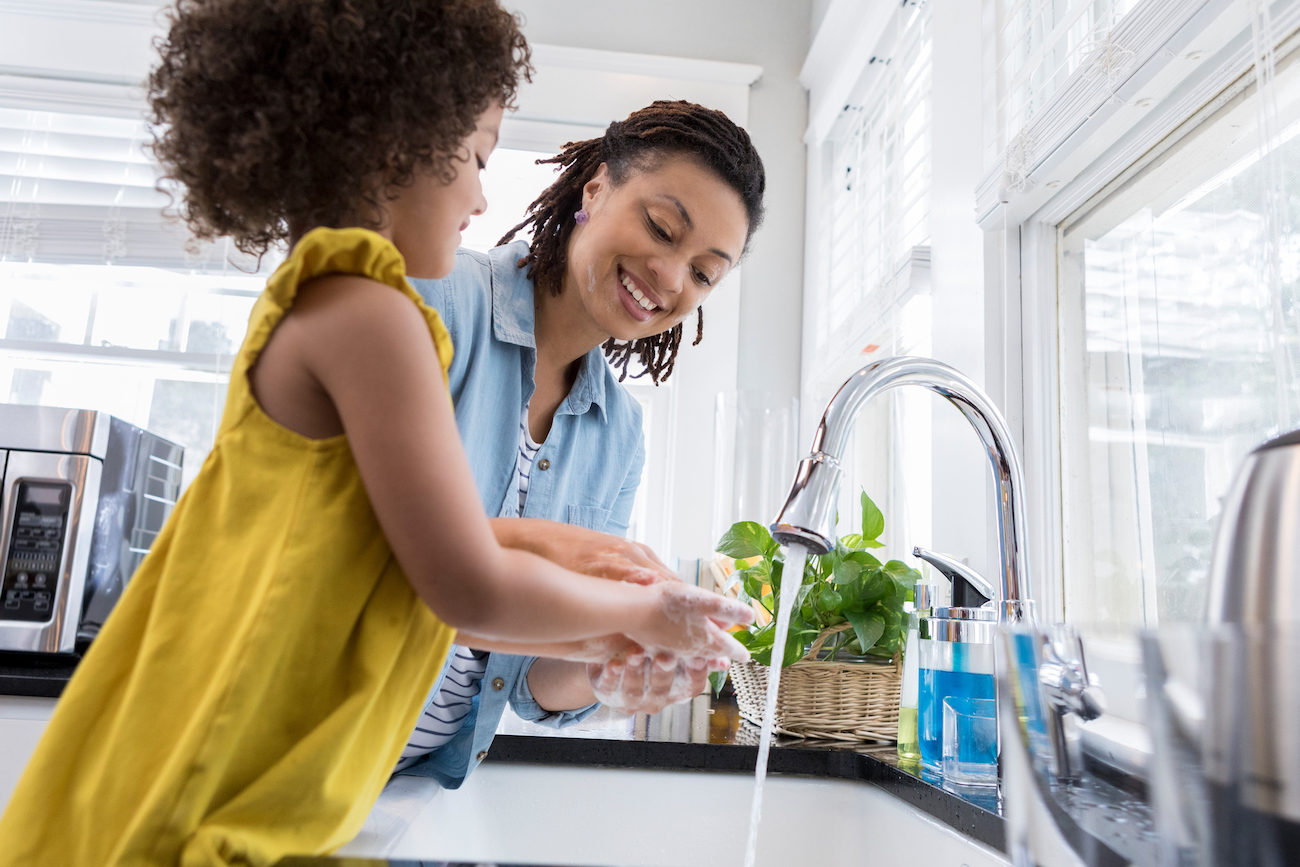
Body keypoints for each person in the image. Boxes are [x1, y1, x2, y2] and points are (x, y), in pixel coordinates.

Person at [0, 5, 751, 866]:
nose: (479, 196)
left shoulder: (344, 301)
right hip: (222, 769)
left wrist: (614, 644)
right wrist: (643, 611)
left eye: (705, 271)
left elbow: (391, 555)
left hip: (306, 779)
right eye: (474, 159)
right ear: (396, 142)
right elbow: (455, 576)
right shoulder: (387, 313)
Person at [394, 100, 766, 786]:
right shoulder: (438, 302)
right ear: (595, 190)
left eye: (706, 273)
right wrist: (618, 599)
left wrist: (619, 666)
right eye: (661, 226)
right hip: (297, 741)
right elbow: (398, 559)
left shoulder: (619, 434)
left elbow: (532, 682)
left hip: (400, 783)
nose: (671, 277)